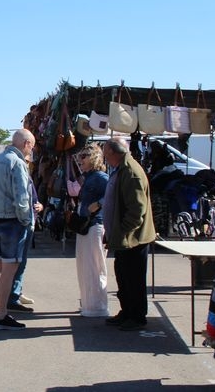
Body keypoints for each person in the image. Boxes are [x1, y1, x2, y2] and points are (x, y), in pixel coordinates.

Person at [0, 129, 35, 331]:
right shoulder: (17, 163)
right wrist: (26, 220)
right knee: (9, 269)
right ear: (27, 144)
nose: (31, 151)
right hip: (11, 222)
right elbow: (21, 197)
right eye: (31, 146)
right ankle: (1, 314)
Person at [102, 138, 156, 331]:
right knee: (124, 277)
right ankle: (127, 312)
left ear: (112, 153)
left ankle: (137, 316)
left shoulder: (130, 172)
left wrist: (122, 231)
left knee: (134, 279)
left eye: (105, 153)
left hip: (133, 239)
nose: (104, 157)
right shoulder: (122, 169)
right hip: (123, 238)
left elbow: (137, 211)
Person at [75, 143, 110, 317]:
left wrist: (98, 204)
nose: (80, 160)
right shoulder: (89, 177)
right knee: (85, 266)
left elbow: (112, 194)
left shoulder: (100, 177)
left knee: (95, 266)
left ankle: (97, 306)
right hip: (87, 225)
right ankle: (89, 304)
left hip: (96, 224)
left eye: (84, 156)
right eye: (80, 156)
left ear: (94, 158)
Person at [7, 154, 43, 314]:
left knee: (19, 261)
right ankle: (12, 297)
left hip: (28, 220)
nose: (29, 163)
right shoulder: (17, 176)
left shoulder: (27, 176)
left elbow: (33, 198)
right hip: (22, 223)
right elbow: (20, 200)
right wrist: (25, 219)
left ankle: (16, 292)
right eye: (27, 161)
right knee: (17, 262)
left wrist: (39, 205)